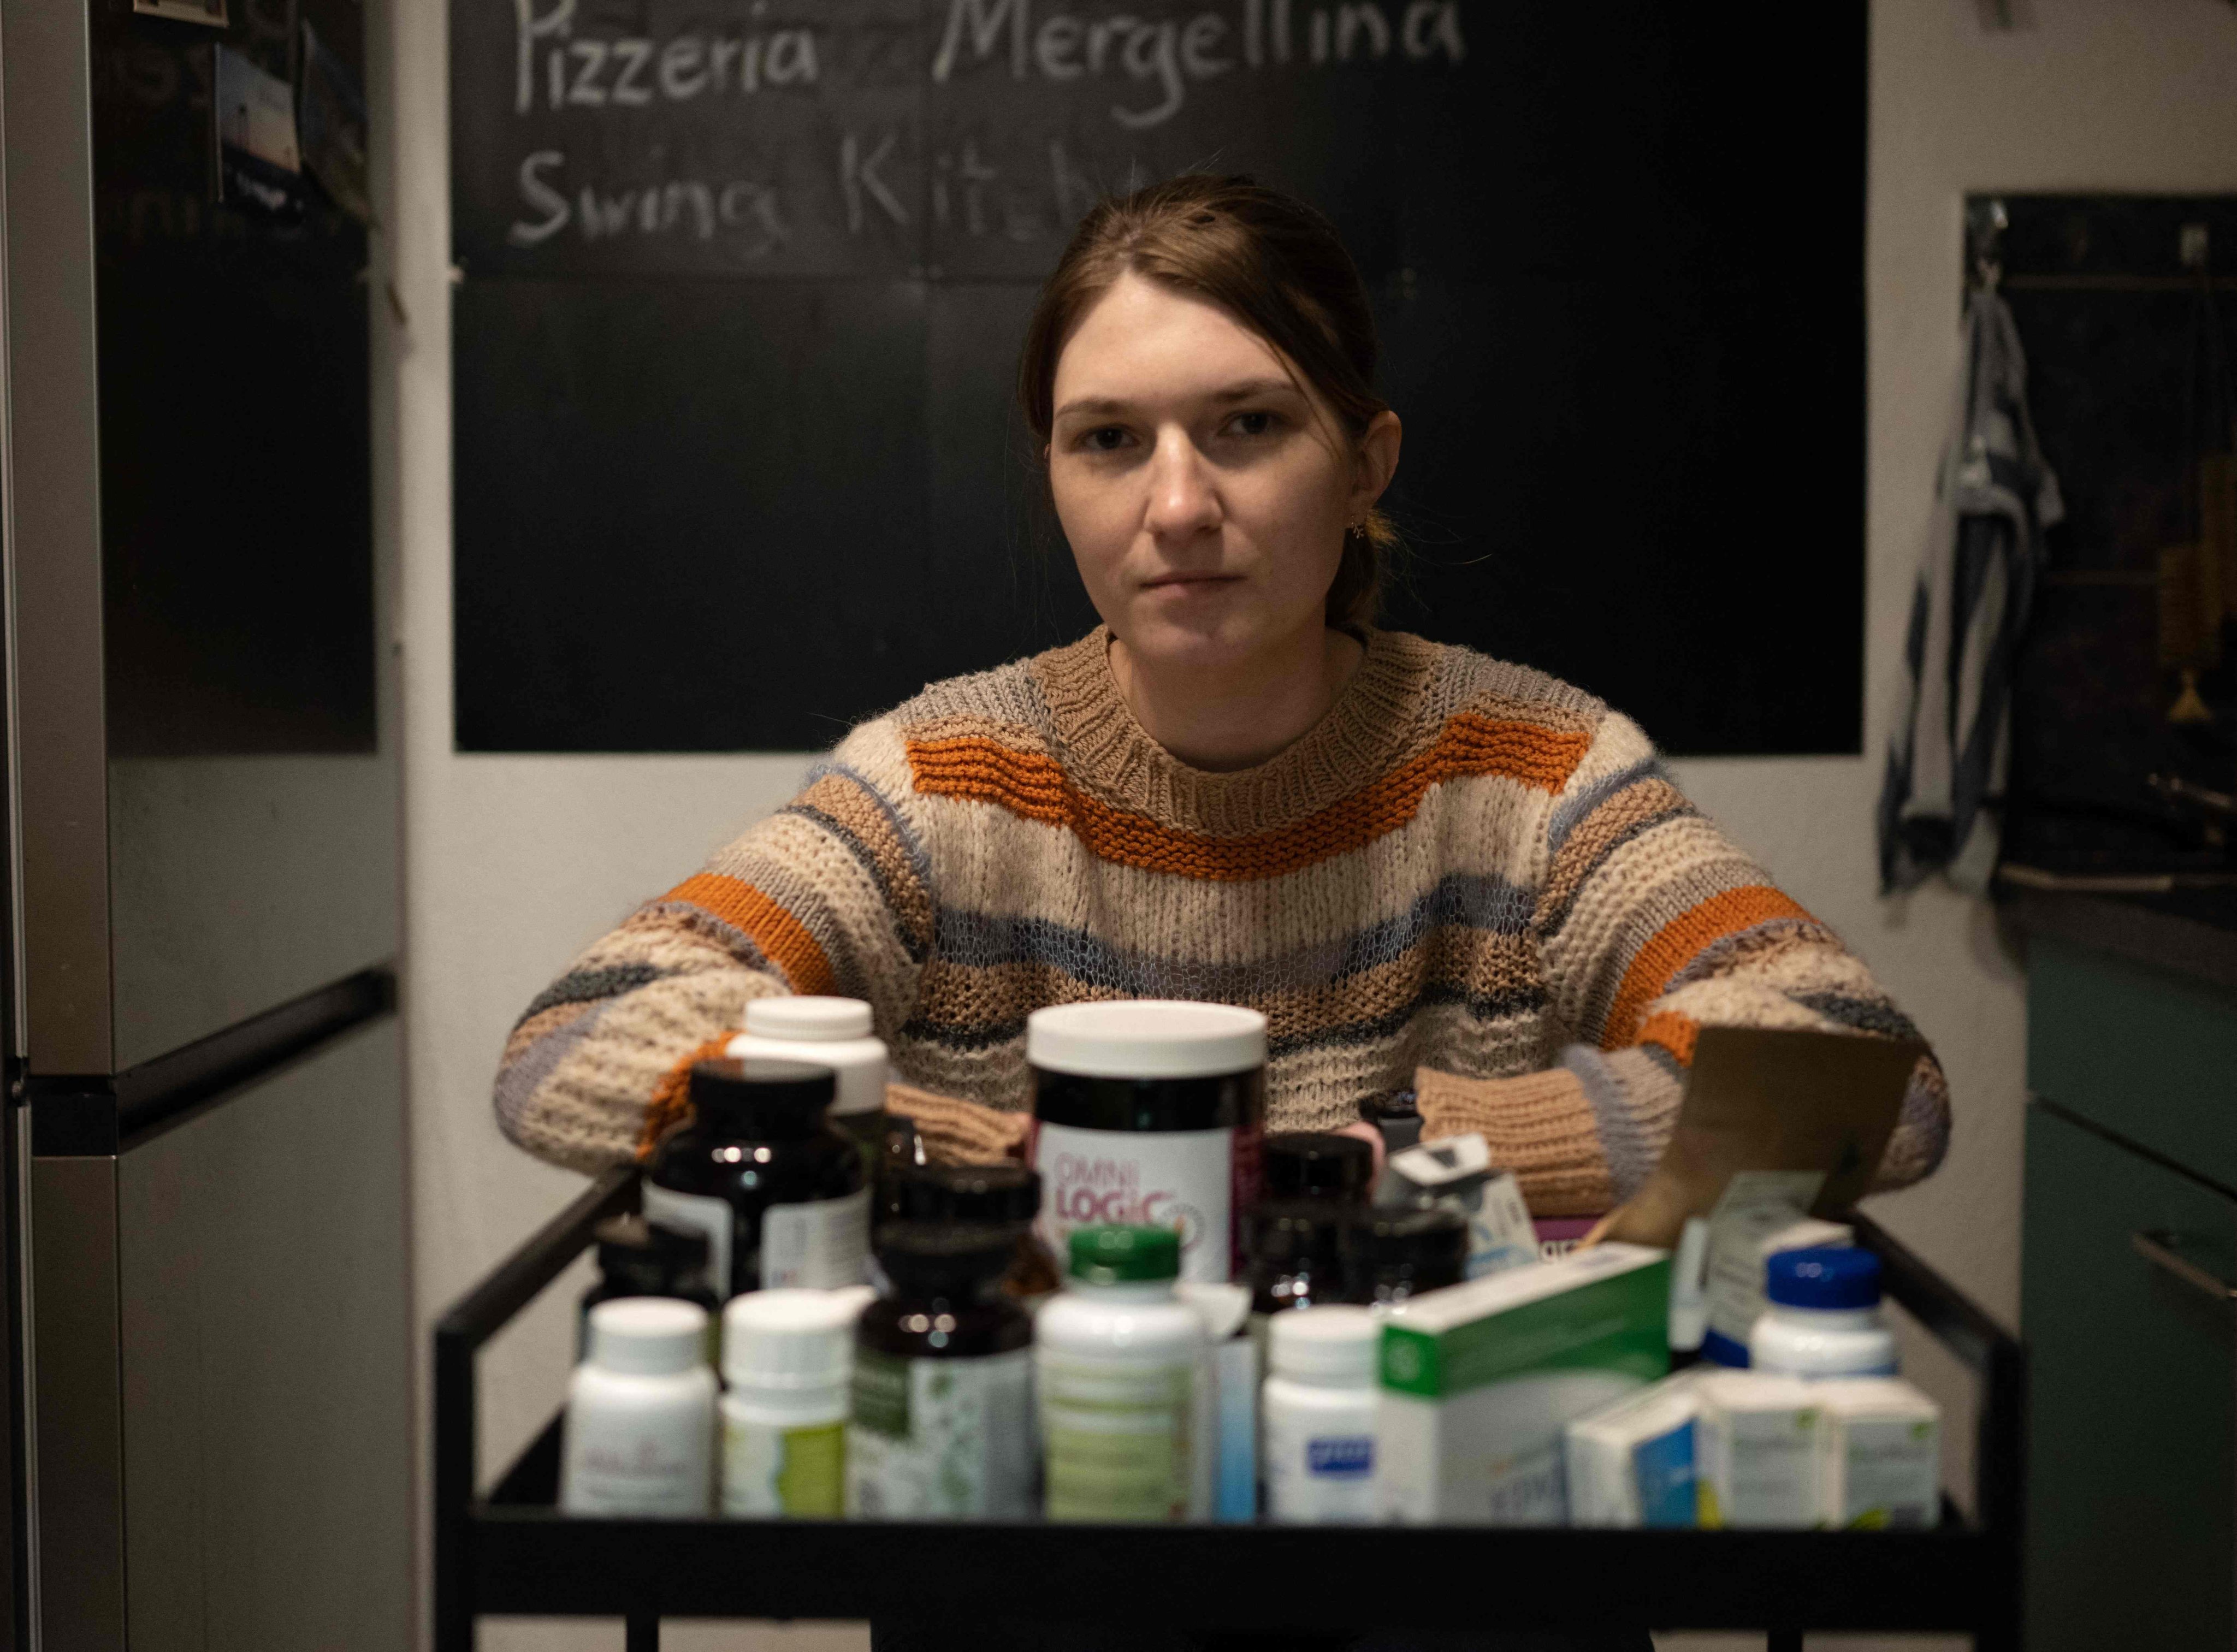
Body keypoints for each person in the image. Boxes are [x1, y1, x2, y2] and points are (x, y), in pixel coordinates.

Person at [497, 171, 1948, 1649]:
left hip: (1452, 1563)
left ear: (1366, 460)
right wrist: (967, 1148)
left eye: (1247, 425)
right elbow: (577, 1036)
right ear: (1053, 473)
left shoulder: (1532, 770)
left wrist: (1407, 1152)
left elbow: (1855, 1066)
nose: (1177, 504)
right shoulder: (946, 778)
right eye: (1109, 440)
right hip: (1057, 1546)